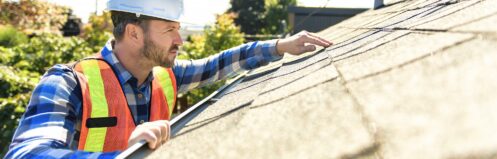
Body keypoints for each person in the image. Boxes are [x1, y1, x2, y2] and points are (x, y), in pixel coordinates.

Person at [5, 0, 332, 158]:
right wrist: (122, 157)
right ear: (133, 33)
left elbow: (218, 64)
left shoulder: (163, 76)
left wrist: (278, 46)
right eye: (169, 30)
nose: (180, 40)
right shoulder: (67, 84)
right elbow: (26, 155)